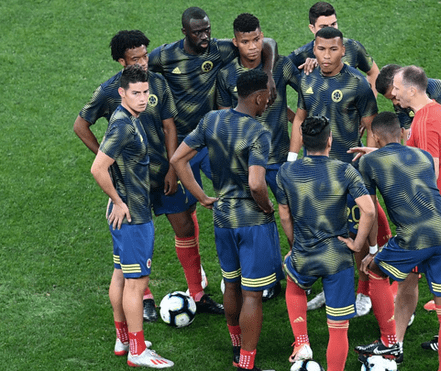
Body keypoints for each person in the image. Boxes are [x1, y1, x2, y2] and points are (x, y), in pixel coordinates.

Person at [73, 30, 222, 319]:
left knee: (185, 227)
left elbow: (169, 126)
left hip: (164, 173)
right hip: (131, 183)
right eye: (135, 58)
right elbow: (81, 126)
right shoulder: (109, 91)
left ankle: (197, 293)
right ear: (121, 61)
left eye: (144, 56)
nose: (142, 62)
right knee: (140, 239)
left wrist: (171, 166)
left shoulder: (157, 83)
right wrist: (107, 158)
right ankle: (144, 298)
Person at [170, 69, 284, 371]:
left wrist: (202, 196)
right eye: (267, 96)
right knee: (252, 293)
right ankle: (246, 363)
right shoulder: (259, 132)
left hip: (222, 218)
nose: (268, 101)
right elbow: (257, 183)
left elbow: (177, 159)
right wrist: (268, 207)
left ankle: (236, 347)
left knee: (231, 285)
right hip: (251, 222)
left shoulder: (211, 120)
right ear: (258, 97)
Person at [289, 27, 389, 318]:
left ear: (344, 50)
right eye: (321, 49)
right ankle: (327, 284)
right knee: (323, 230)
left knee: (359, 232)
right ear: (314, 49)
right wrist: (292, 159)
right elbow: (299, 119)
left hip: (349, 172)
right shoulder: (307, 78)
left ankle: (363, 290)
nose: (327, 56)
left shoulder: (357, 83)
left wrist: (366, 166)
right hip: (314, 173)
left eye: (333, 49)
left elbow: (371, 127)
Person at [353, 111, 441, 371]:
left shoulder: (368, 163)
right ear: (402, 133)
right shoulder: (423, 156)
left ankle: (389, 342)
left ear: (376, 137)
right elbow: (406, 167)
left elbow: (370, 211)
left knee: (375, 269)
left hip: (413, 236)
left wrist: (372, 249)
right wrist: (380, 151)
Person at [376, 64, 441, 313]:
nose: (395, 101)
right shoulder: (408, 99)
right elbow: (407, 136)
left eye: (395, 94)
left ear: (407, 87)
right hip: (438, 156)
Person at [90, 64, 174, 368]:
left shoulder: (127, 118)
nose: (142, 98)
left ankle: (123, 339)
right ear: (122, 93)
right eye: (135, 93)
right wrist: (119, 201)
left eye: (145, 92)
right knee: (137, 281)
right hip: (132, 215)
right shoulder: (123, 124)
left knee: (121, 274)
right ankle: (137, 351)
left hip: (125, 211)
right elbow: (97, 168)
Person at [277, 116, 376, 371]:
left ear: (303, 141)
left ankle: (301, 342)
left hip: (304, 252)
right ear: (329, 141)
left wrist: (293, 243)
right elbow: (369, 211)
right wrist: (357, 245)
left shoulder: (286, 172)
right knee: (339, 329)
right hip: (338, 257)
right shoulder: (345, 170)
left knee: (294, 282)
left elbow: (285, 215)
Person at [216, 13, 301, 300]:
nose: (252, 47)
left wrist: (297, 123)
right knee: (259, 221)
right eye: (245, 42)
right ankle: (265, 277)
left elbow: (308, 96)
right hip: (246, 165)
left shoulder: (281, 65)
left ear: (262, 36)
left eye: (256, 40)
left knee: (291, 214)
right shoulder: (227, 75)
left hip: (279, 159)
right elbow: (223, 118)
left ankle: (301, 268)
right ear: (235, 42)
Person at [380, 65, 441, 362]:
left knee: (380, 271)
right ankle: (396, 343)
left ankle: (394, 343)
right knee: (413, 285)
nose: (394, 93)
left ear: (412, 90)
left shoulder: (425, 123)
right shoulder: (438, 111)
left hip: (426, 222)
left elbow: (429, 171)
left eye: (398, 88)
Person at [288, 1, 380, 96]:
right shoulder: (301, 55)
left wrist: (370, 105)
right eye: (323, 26)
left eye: (333, 24)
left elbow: (374, 72)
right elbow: (277, 78)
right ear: (312, 28)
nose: (330, 30)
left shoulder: (352, 47)